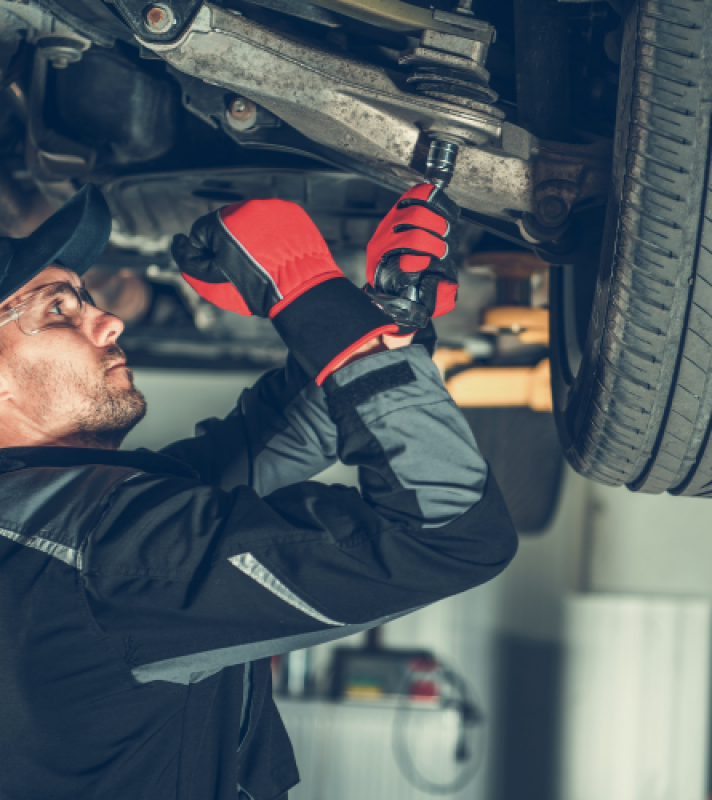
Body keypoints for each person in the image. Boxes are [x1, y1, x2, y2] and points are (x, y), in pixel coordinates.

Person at [0, 183, 517, 800]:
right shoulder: (94, 552)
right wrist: (307, 291)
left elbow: (275, 437)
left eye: (85, 299)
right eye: (59, 309)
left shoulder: (58, 520)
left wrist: (383, 314)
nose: (109, 320)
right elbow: (451, 531)